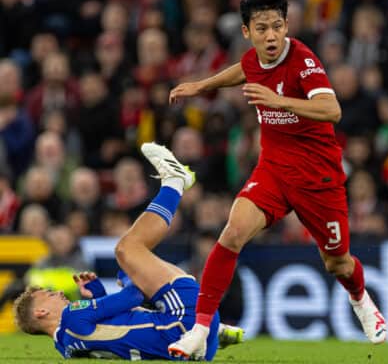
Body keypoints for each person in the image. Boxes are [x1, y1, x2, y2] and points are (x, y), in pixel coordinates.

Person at [167, 0, 387, 360]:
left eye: (278, 26)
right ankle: (200, 328)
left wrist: (279, 101)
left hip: (318, 176)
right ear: (246, 32)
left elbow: (332, 110)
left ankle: (360, 298)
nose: (271, 36)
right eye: (262, 28)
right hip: (273, 168)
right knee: (233, 231)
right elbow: (244, 70)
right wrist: (202, 86)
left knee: (337, 262)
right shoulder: (254, 59)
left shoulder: (302, 60)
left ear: (287, 26)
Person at [13, 143, 243, 360]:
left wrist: (99, 293)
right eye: (50, 294)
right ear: (41, 312)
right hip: (182, 324)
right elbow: (133, 297)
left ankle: (214, 328)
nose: (59, 294)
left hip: (194, 349)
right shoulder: (71, 316)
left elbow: (116, 330)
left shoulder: (65, 347)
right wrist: (128, 277)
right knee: (126, 250)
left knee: (136, 267)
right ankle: (174, 183)